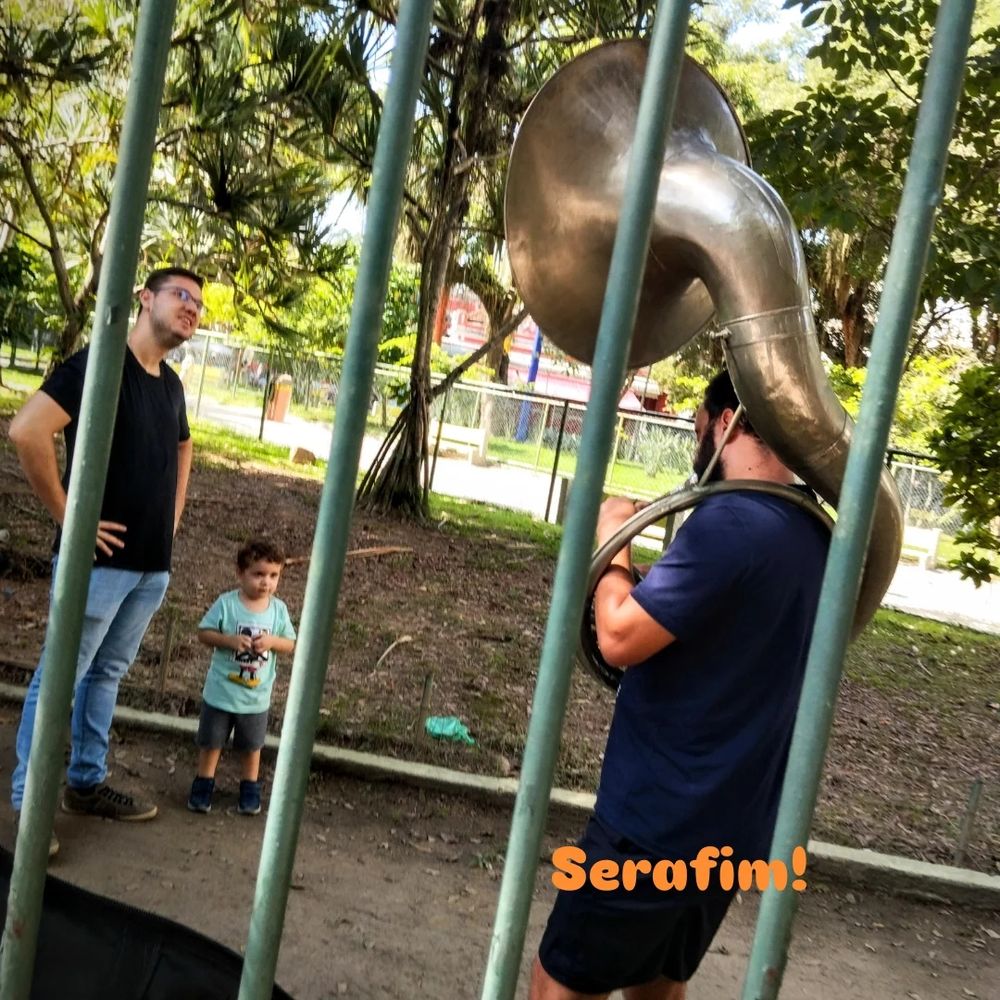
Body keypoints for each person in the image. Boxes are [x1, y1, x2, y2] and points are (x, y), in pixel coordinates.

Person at [531, 370, 830, 1000]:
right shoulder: (812, 530)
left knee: (559, 983)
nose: (696, 442)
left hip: (656, 822)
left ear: (726, 422)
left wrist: (613, 541)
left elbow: (618, 636)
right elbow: (729, 633)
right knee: (658, 983)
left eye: (697, 426)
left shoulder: (732, 520)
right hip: (733, 828)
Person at [8, 266, 203, 856]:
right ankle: (29, 806)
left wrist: (173, 515)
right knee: (61, 677)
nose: (191, 308)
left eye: (198, 303)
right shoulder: (99, 365)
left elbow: (184, 445)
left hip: (150, 566)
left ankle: (85, 783)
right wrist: (70, 517)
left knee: (106, 674)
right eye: (180, 295)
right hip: (97, 567)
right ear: (145, 298)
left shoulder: (170, 385)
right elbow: (27, 431)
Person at [187, 538, 296, 817]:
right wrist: (229, 641)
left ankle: (249, 789)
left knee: (251, 746)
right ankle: (203, 785)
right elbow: (204, 633)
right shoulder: (227, 604)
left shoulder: (278, 610)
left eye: (273, 575)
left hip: (255, 698)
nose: (266, 582)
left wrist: (272, 641)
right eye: (258, 574)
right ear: (240, 572)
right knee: (211, 742)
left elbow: (290, 643)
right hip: (221, 693)